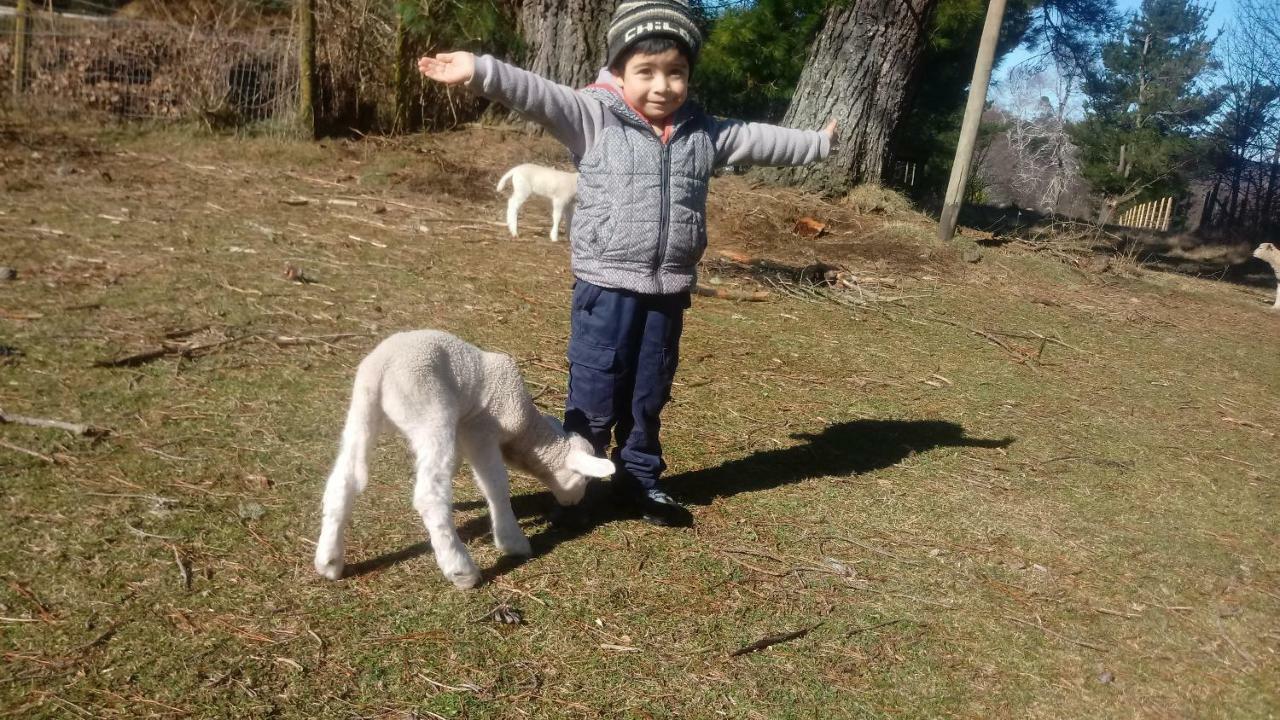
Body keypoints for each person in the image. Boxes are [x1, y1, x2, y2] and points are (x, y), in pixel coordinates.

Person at [419, 0, 836, 526]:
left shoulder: (704, 132)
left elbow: (762, 138)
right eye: (647, 72)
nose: (663, 85)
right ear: (619, 71)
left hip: (667, 289)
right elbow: (537, 94)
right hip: (606, 286)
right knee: (595, 390)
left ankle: (641, 480)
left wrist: (818, 144)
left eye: (676, 72)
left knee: (649, 389)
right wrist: (479, 70)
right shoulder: (593, 116)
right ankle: (577, 485)